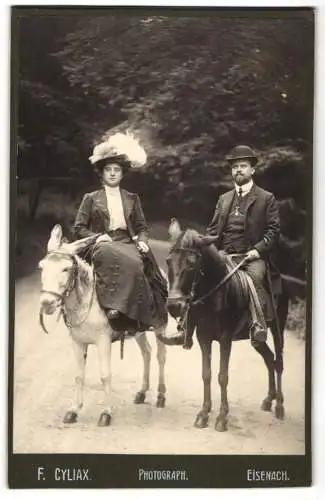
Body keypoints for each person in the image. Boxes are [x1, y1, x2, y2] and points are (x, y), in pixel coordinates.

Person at [171, 145, 281, 349]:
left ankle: (258, 325)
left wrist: (257, 250)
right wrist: (204, 245)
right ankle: (185, 328)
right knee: (199, 276)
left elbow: (273, 231)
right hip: (224, 254)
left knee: (253, 279)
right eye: (235, 167)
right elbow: (213, 230)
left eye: (243, 166)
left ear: (252, 170)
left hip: (251, 256)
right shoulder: (224, 199)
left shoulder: (266, 198)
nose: (238, 170)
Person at [74, 133, 168, 339]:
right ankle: (111, 308)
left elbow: (142, 226)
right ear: (102, 174)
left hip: (127, 241)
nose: (113, 174)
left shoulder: (131, 199)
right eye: (108, 170)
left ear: (122, 174)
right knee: (107, 254)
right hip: (101, 241)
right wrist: (96, 237)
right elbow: (79, 227)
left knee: (139, 264)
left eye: (117, 170)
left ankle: (140, 316)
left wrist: (142, 241)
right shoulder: (91, 198)